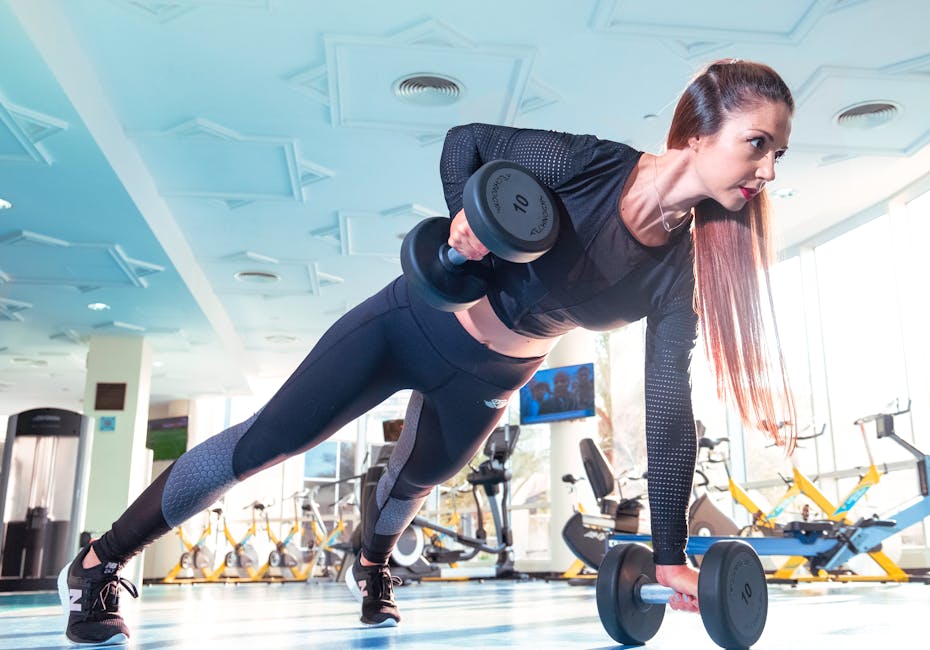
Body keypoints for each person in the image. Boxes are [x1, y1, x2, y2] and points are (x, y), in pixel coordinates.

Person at [59, 59, 797, 644]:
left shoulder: (678, 275)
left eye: (779, 153)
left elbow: (671, 412)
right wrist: (464, 217)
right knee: (267, 443)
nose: (768, 170)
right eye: (757, 143)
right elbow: (466, 143)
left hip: (491, 375)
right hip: (408, 321)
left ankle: (372, 566)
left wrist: (670, 554)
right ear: (697, 135)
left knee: (419, 481)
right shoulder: (593, 165)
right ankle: (99, 561)